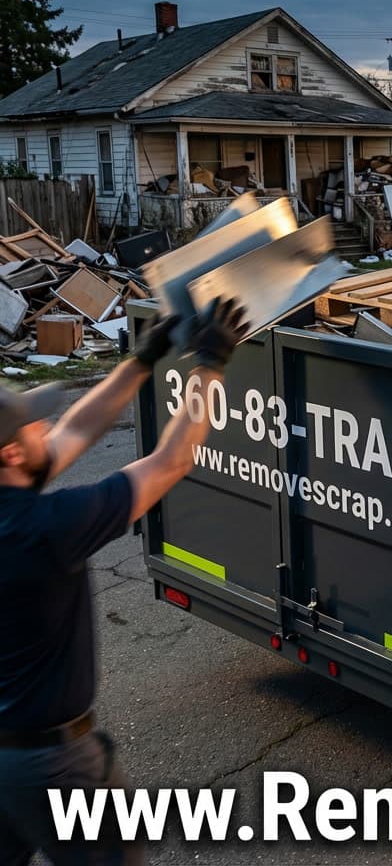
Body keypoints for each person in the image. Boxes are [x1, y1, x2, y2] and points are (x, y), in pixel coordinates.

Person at [0, 298, 248, 865]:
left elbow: (74, 430)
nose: (45, 427)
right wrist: (209, 365)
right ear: (11, 453)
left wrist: (141, 360)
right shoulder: (46, 529)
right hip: (54, 768)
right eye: (33, 425)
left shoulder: (15, 502)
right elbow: (171, 461)